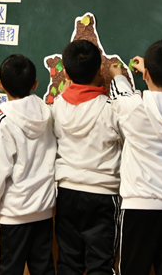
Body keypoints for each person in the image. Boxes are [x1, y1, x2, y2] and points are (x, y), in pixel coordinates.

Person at [109, 40, 162, 275]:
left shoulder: (133, 107)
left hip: (139, 206)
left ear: (145, 74)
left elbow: (118, 94)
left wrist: (118, 76)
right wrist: (152, 70)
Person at [0, 54, 56, 275]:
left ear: (0, 85)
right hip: (43, 209)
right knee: (43, 269)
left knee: (9, 270)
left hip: (14, 213)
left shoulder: (1, 122)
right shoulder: (48, 114)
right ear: (35, 84)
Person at [51, 40, 122, 275]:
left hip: (67, 192)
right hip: (103, 193)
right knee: (101, 264)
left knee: (68, 262)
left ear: (66, 74)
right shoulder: (111, 108)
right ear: (100, 69)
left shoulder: (57, 105)